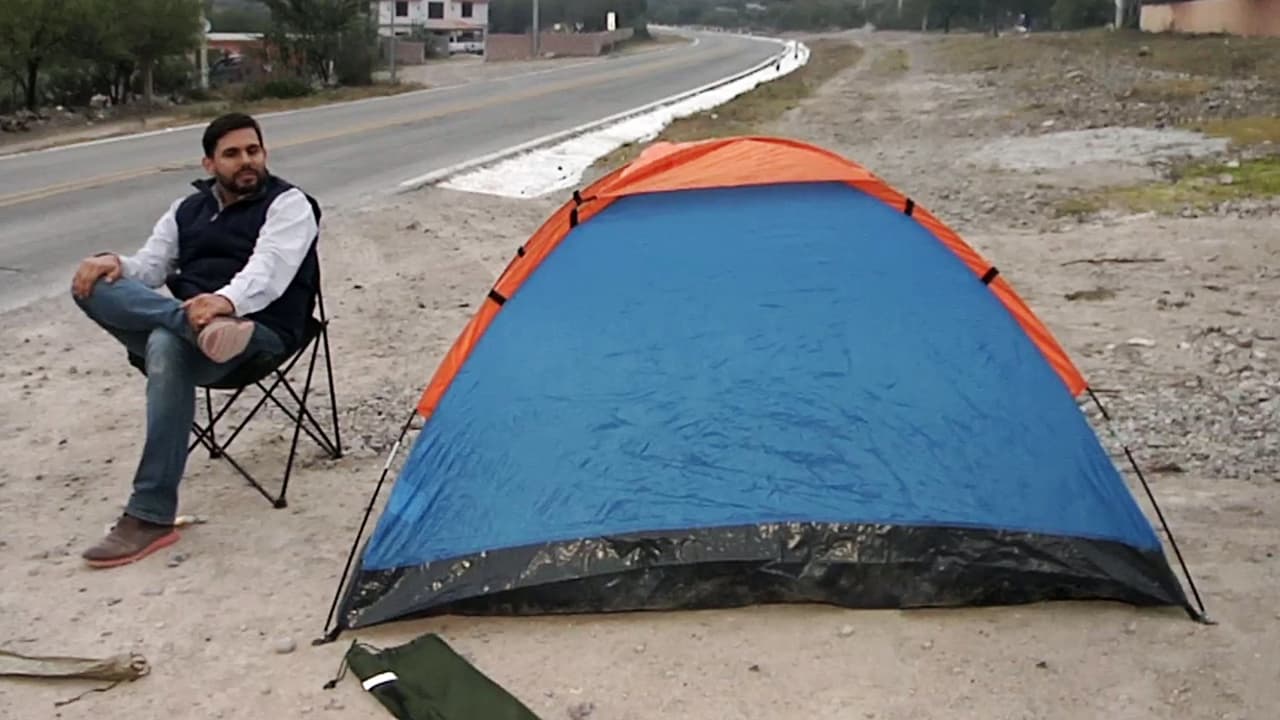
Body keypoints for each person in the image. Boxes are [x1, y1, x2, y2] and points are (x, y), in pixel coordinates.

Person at [69, 112, 321, 569]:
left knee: (165, 345)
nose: (246, 161)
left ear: (264, 153)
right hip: (203, 334)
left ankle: (150, 514)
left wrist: (225, 302)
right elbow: (150, 267)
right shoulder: (185, 210)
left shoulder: (289, 205)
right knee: (93, 285)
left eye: (253, 151)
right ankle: (185, 324)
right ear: (210, 164)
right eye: (232, 154)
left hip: (259, 334)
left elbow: (268, 271)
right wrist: (115, 263)